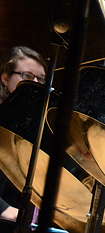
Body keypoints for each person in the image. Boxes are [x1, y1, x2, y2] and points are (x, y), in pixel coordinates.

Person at [0, 46, 47, 225]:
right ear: (5, 78)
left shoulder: (33, 121)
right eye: (27, 76)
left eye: (41, 79)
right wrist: (3, 209)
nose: (35, 82)